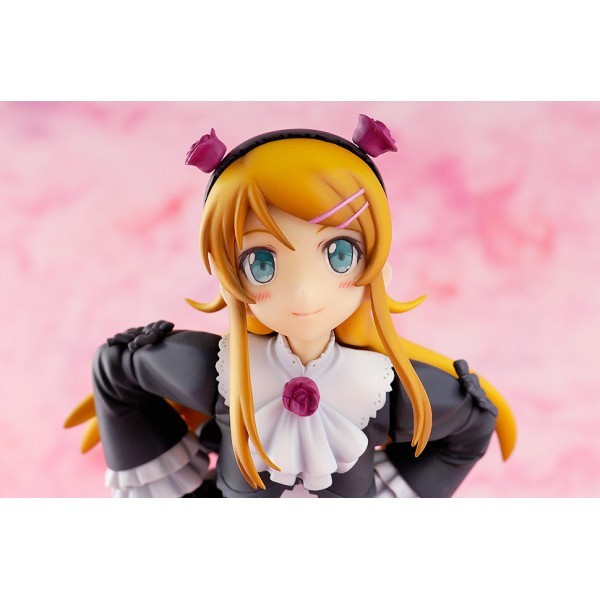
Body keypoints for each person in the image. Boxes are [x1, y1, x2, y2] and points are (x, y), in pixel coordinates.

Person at [65, 115, 516, 497]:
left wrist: (400, 493)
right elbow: (117, 369)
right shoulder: (221, 372)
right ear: (227, 274)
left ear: (377, 265)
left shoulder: (381, 388)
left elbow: (474, 424)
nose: (303, 294)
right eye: (261, 263)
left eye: (340, 254)